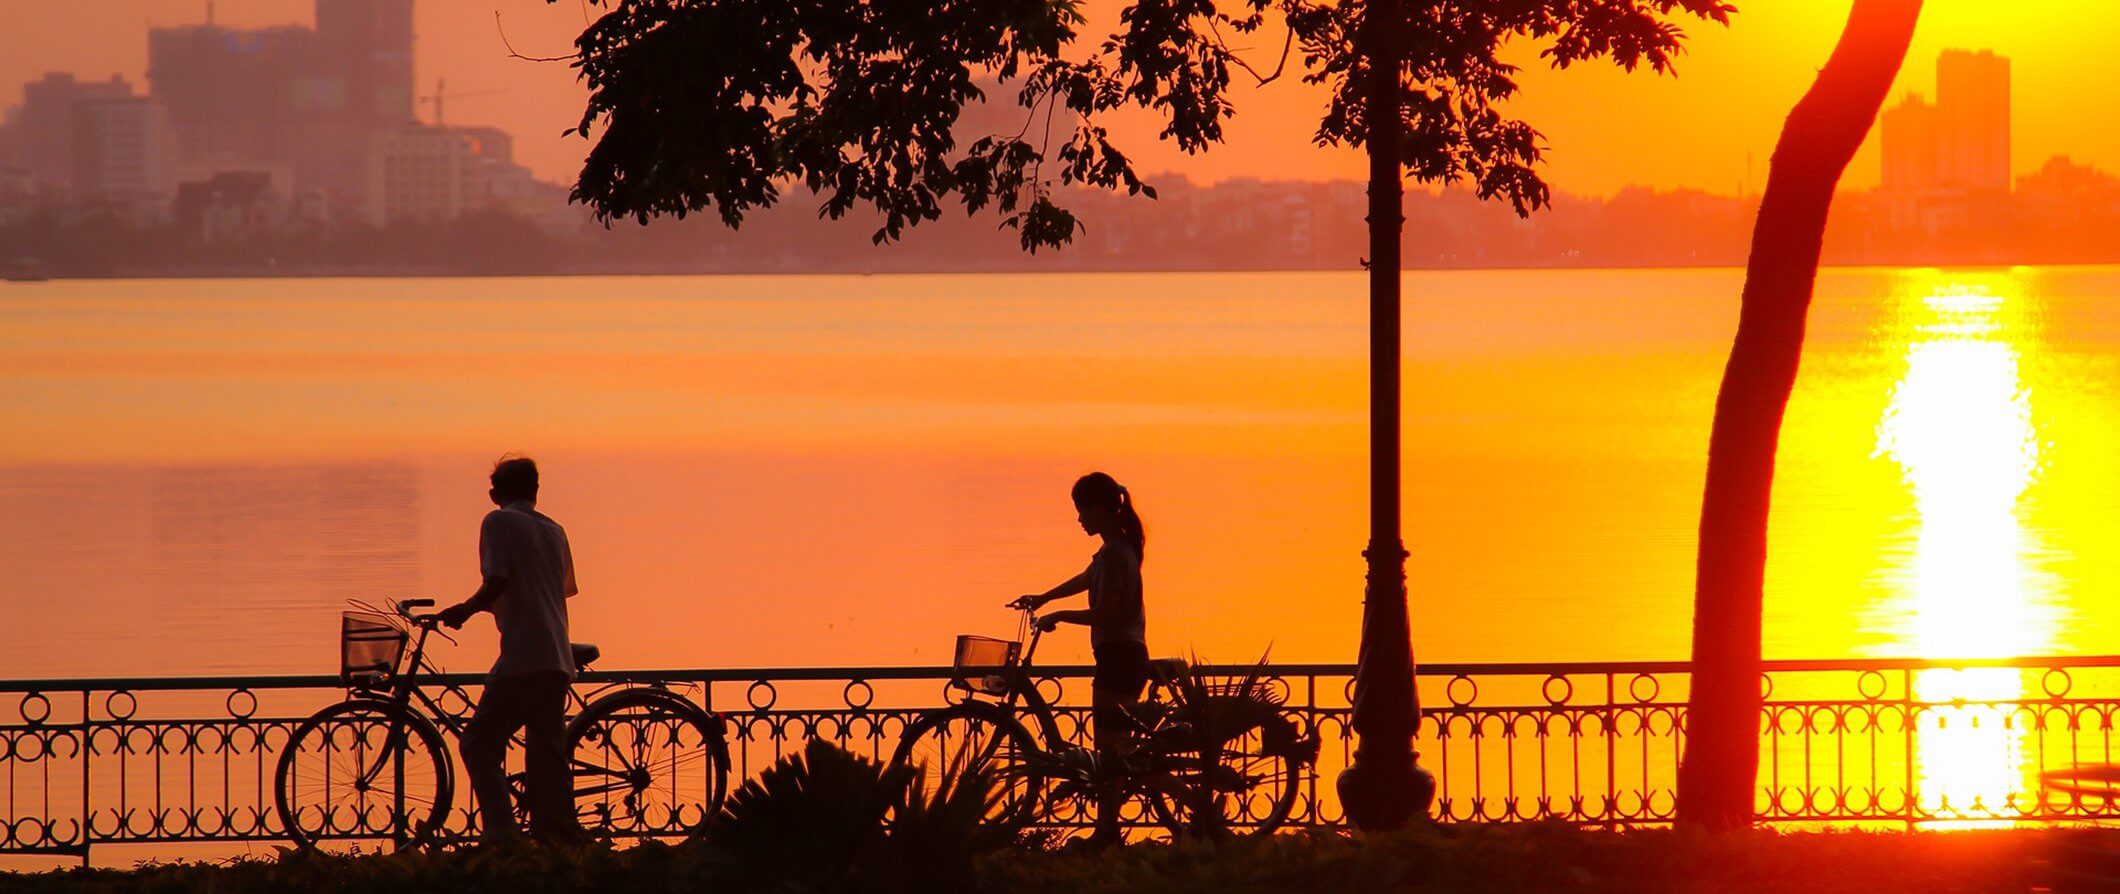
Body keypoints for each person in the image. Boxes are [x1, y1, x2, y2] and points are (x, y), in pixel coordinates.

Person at [436, 455, 584, 846]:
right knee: (546, 756)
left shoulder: (498, 522)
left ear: (494, 493)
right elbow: (560, 589)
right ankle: (557, 838)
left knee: (477, 744)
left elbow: (499, 579)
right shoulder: (554, 529)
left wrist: (464, 611)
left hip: (523, 654)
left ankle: (503, 835)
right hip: (556, 656)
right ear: (535, 490)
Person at [1012, 471, 1147, 847]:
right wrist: (1044, 598)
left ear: (1101, 509)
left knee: (1112, 755)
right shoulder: (1110, 551)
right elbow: (1085, 579)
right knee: (1114, 751)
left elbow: (1106, 613)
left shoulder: (1119, 554)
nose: (1079, 519)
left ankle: (1108, 832)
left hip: (1120, 658)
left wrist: (1060, 617)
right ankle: (1108, 830)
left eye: (1082, 511)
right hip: (1116, 657)